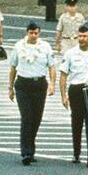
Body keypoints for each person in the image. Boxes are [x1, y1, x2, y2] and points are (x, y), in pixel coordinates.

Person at [6, 22, 56, 166]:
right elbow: (13, 67)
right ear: (27, 32)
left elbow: (52, 66)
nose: (34, 35)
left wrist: (52, 84)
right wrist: (10, 87)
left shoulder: (45, 47)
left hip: (39, 84)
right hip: (23, 84)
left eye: (36, 33)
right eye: (31, 33)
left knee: (36, 118)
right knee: (27, 117)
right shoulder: (18, 46)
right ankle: (26, 151)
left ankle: (31, 148)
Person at [59, 24, 88, 166]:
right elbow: (63, 75)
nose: (82, 39)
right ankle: (76, 153)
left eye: (85, 36)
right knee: (76, 122)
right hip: (76, 90)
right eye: (80, 36)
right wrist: (63, 95)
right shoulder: (70, 53)